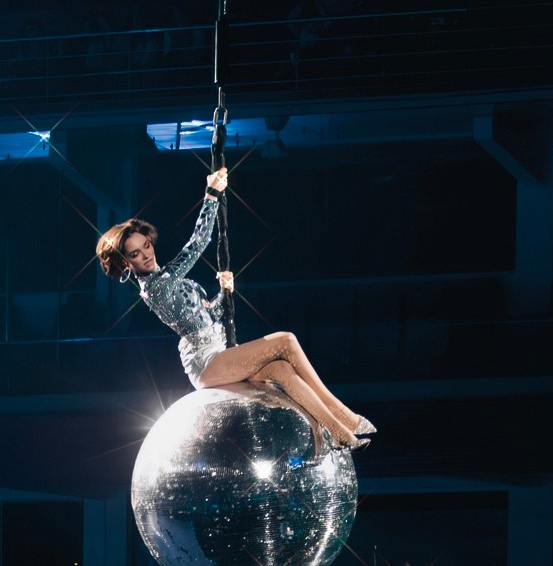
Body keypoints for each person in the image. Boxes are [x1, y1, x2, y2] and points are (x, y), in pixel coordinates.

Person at [95, 170, 375, 454]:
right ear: (126, 264)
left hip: (217, 351)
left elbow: (207, 316)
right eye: (135, 254)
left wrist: (223, 293)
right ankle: (343, 414)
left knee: (282, 370)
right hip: (207, 362)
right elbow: (197, 244)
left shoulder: (165, 278)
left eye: (146, 245)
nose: (146, 254)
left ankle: (333, 434)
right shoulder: (157, 287)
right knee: (286, 340)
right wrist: (211, 196)